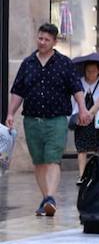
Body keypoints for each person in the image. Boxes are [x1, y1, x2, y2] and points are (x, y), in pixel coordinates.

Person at [7, 23, 89, 217]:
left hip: (57, 119)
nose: (42, 42)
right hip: (32, 120)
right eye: (40, 38)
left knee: (52, 159)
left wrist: (83, 109)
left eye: (46, 39)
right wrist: (10, 113)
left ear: (54, 41)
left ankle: (51, 197)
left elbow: (77, 88)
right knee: (39, 161)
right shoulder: (28, 63)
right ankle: (46, 200)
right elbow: (18, 91)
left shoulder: (64, 63)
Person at [72, 59, 99, 178]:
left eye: (93, 71)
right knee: (81, 147)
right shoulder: (79, 82)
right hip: (83, 116)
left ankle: (98, 174)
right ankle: (82, 175)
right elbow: (73, 100)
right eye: (88, 71)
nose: (90, 73)